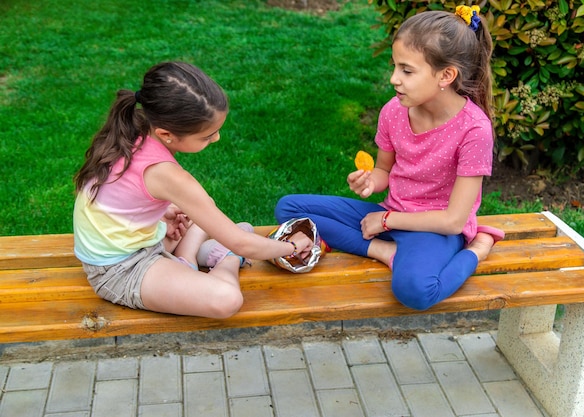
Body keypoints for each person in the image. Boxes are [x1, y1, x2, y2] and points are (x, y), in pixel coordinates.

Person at [275, 7, 504, 311]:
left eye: (407, 71)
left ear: (446, 75)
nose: (394, 79)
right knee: (289, 208)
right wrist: (371, 182)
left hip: (435, 230)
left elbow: (453, 220)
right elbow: (385, 170)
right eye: (394, 66)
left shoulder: (474, 130)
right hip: (389, 217)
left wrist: (386, 219)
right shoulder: (393, 111)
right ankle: (384, 251)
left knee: (415, 291)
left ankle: (478, 249)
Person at [73, 61, 314, 318]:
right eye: (207, 136)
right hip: (119, 269)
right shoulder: (167, 175)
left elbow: (124, 196)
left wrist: (162, 212)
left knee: (200, 208)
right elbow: (243, 243)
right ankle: (223, 258)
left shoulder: (134, 128)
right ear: (166, 134)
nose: (216, 138)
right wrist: (291, 246)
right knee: (226, 299)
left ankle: (187, 258)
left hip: (140, 238)